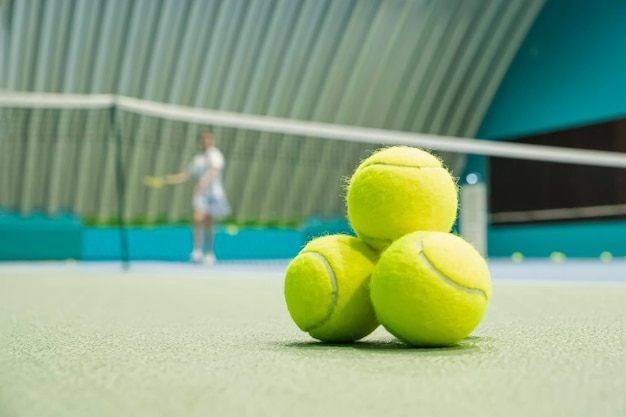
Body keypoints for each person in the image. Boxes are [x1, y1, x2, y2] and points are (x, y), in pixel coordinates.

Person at [155, 130, 231, 265]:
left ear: (212, 141)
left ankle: (209, 252)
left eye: (208, 139)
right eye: (203, 140)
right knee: (197, 219)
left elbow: (214, 169)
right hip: (201, 195)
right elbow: (188, 175)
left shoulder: (216, 155)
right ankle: (196, 251)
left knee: (209, 223)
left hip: (214, 195)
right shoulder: (198, 159)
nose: (206, 142)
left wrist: (203, 183)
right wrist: (170, 179)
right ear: (200, 142)